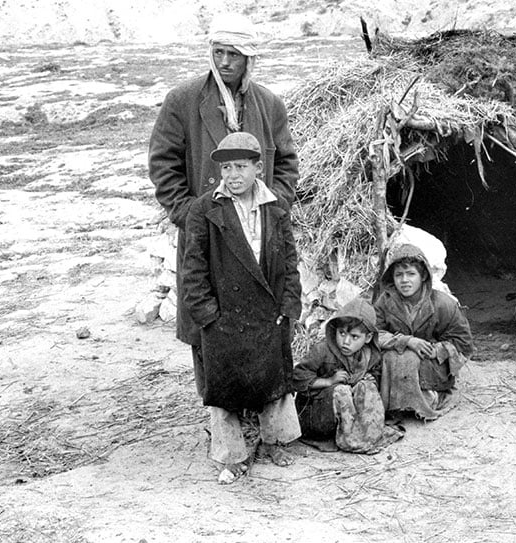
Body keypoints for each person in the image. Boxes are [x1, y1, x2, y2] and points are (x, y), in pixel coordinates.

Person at [148, 11, 299, 409]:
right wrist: (188, 213)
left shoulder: (269, 104)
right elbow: (163, 164)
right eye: (219, 52)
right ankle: (219, 409)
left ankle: (262, 404)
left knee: (264, 320)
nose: (226, 62)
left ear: (250, 58)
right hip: (210, 232)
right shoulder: (183, 101)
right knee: (209, 320)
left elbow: (286, 161)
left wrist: (276, 207)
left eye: (235, 54)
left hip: (258, 229)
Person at [181, 131, 302, 483]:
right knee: (224, 390)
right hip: (225, 317)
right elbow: (193, 270)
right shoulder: (205, 210)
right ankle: (231, 455)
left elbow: (289, 262)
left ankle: (275, 442)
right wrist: (208, 316)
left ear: (258, 168)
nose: (232, 175)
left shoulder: (275, 208)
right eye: (226, 168)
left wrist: (289, 306)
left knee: (274, 381)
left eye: (240, 166)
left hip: (268, 314)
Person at [373, 243, 474, 419]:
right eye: (399, 275)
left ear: (423, 276)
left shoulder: (443, 303)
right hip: (394, 364)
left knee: (412, 367)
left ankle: (427, 397)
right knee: (394, 357)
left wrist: (436, 350)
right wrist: (407, 341)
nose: (404, 280)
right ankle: (399, 404)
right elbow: (374, 334)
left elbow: (464, 344)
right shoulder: (385, 302)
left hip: (431, 365)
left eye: (411, 274)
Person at [293, 298, 399, 453]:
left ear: (368, 338)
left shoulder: (369, 355)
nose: (346, 342)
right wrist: (328, 381)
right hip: (316, 418)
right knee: (341, 390)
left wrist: (368, 379)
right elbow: (297, 378)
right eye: (341, 333)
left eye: (354, 337)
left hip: (347, 415)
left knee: (367, 386)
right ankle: (348, 439)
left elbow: (375, 376)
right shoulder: (322, 350)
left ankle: (367, 434)